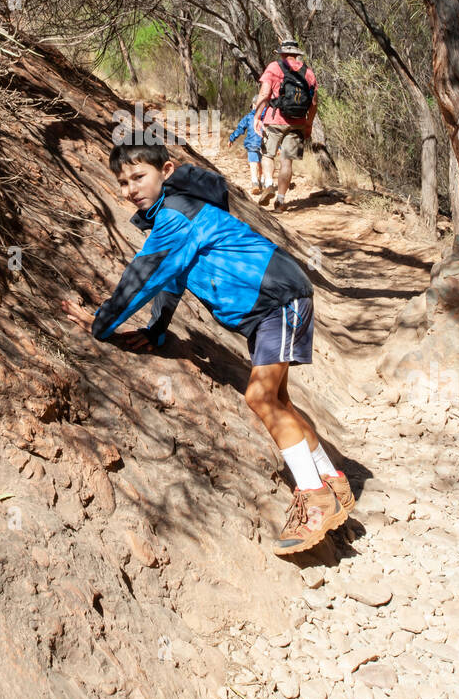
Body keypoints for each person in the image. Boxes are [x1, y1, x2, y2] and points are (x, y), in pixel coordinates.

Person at [61, 143, 355, 556]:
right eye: (123, 182)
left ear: (166, 169)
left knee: (260, 397)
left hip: (278, 298)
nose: (129, 189)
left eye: (138, 177)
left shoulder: (176, 215)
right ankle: (332, 483)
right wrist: (158, 329)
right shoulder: (174, 214)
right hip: (268, 305)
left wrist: (99, 323)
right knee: (278, 400)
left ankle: (315, 499)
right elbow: (171, 277)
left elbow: (142, 274)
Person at [253, 38, 317, 212]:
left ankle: (268, 183)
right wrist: (308, 125)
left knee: (267, 155)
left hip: (275, 119)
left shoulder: (275, 67)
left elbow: (265, 93)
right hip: (298, 123)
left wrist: (257, 116)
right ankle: (281, 201)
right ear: (297, 54)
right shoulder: (308, 72)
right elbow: (313, 103)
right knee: (287, 161)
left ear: (281, 53)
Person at [228, 106, 263, 192]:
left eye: (251, 106)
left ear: (254, 105)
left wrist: (232, 138)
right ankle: (262, 181)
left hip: (252, 143)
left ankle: (255, 182)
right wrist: (278, 147)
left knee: (253, 163)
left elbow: (240, 128)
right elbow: (274, 133)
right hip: (265, 144)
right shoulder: (268, 116)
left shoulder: (248, 116)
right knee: (263, 163)